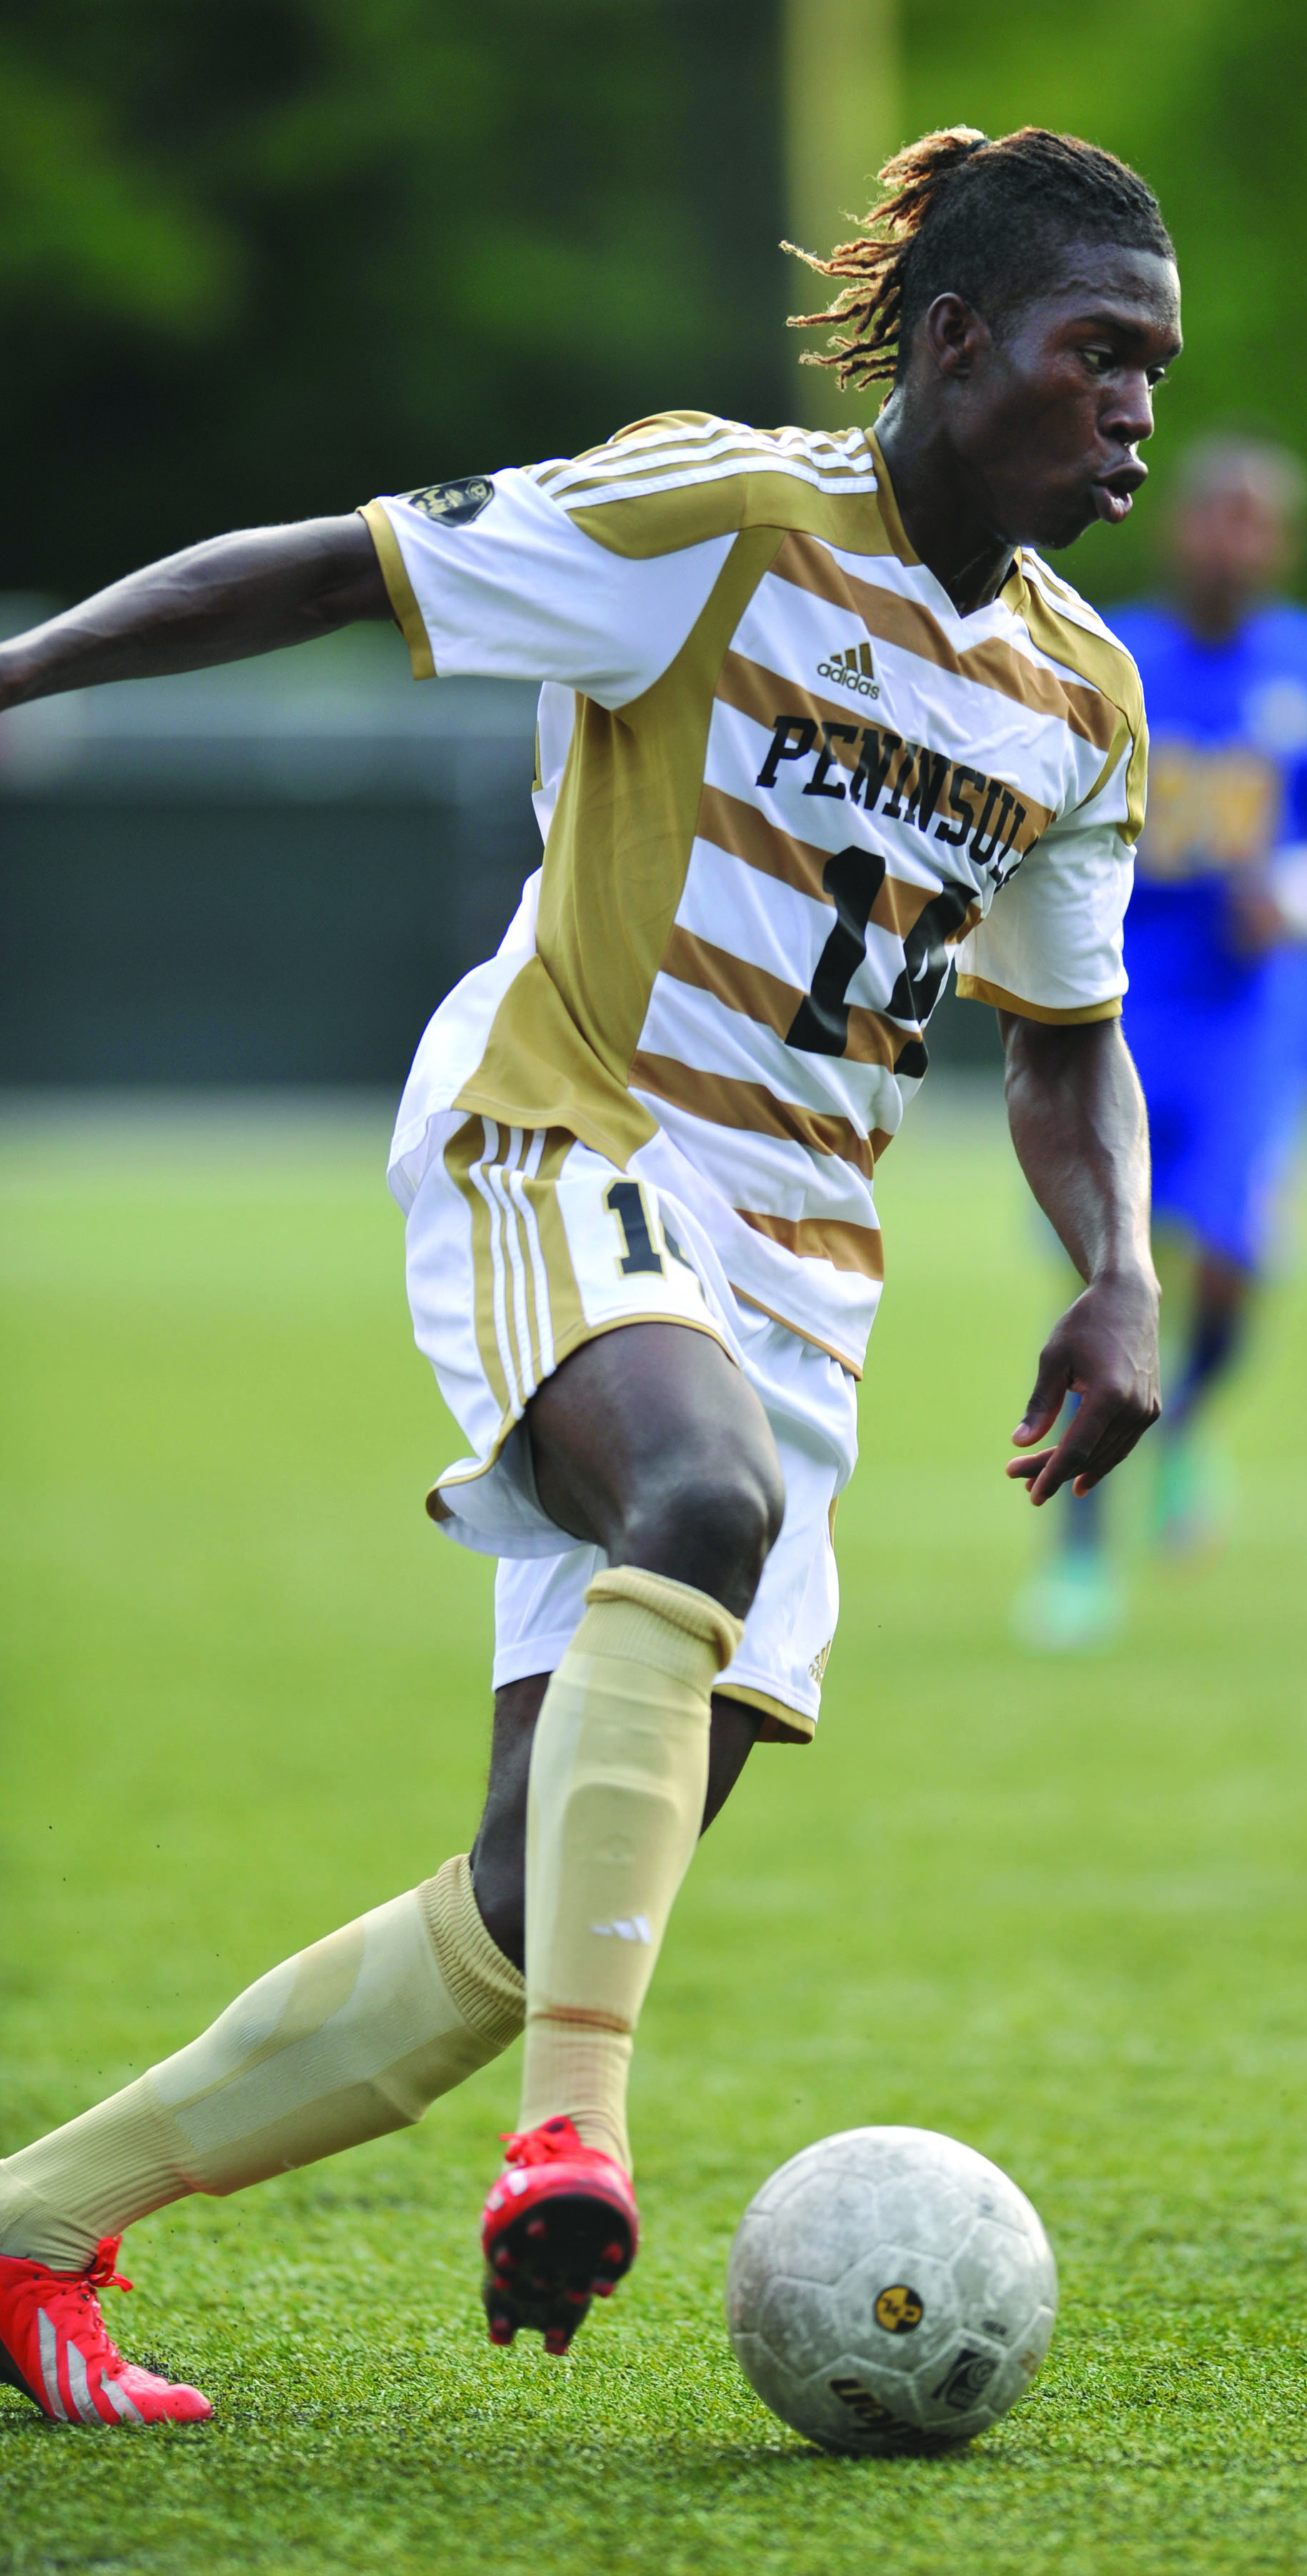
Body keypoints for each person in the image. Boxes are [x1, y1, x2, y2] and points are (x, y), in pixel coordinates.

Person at [0, 125, 1178, 2423]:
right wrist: (22, 675)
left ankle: (36, 2218)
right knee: (697, 1504)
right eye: (1091, 355)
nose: (1134, 407)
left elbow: (1069, 1043)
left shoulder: (1080, 695)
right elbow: (330, 569)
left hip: (802, 1288)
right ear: (951, 349)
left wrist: (1116, 1270)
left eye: (1151, 367)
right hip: (568, 1127)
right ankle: (580, 2129)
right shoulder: (714, 516)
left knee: (528, 1909)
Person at [1016, 436, 1307, 1650]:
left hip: (1255, 1009)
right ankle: (1077, 1548)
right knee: (1106, 1267)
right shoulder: (1100, 648)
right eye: (1216, 515)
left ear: (1285, 542)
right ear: (1176, 526)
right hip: (1120, 995)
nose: (1234, 540)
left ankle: (1189, 1422)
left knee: (1232, 1258)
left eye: (1258, 521)